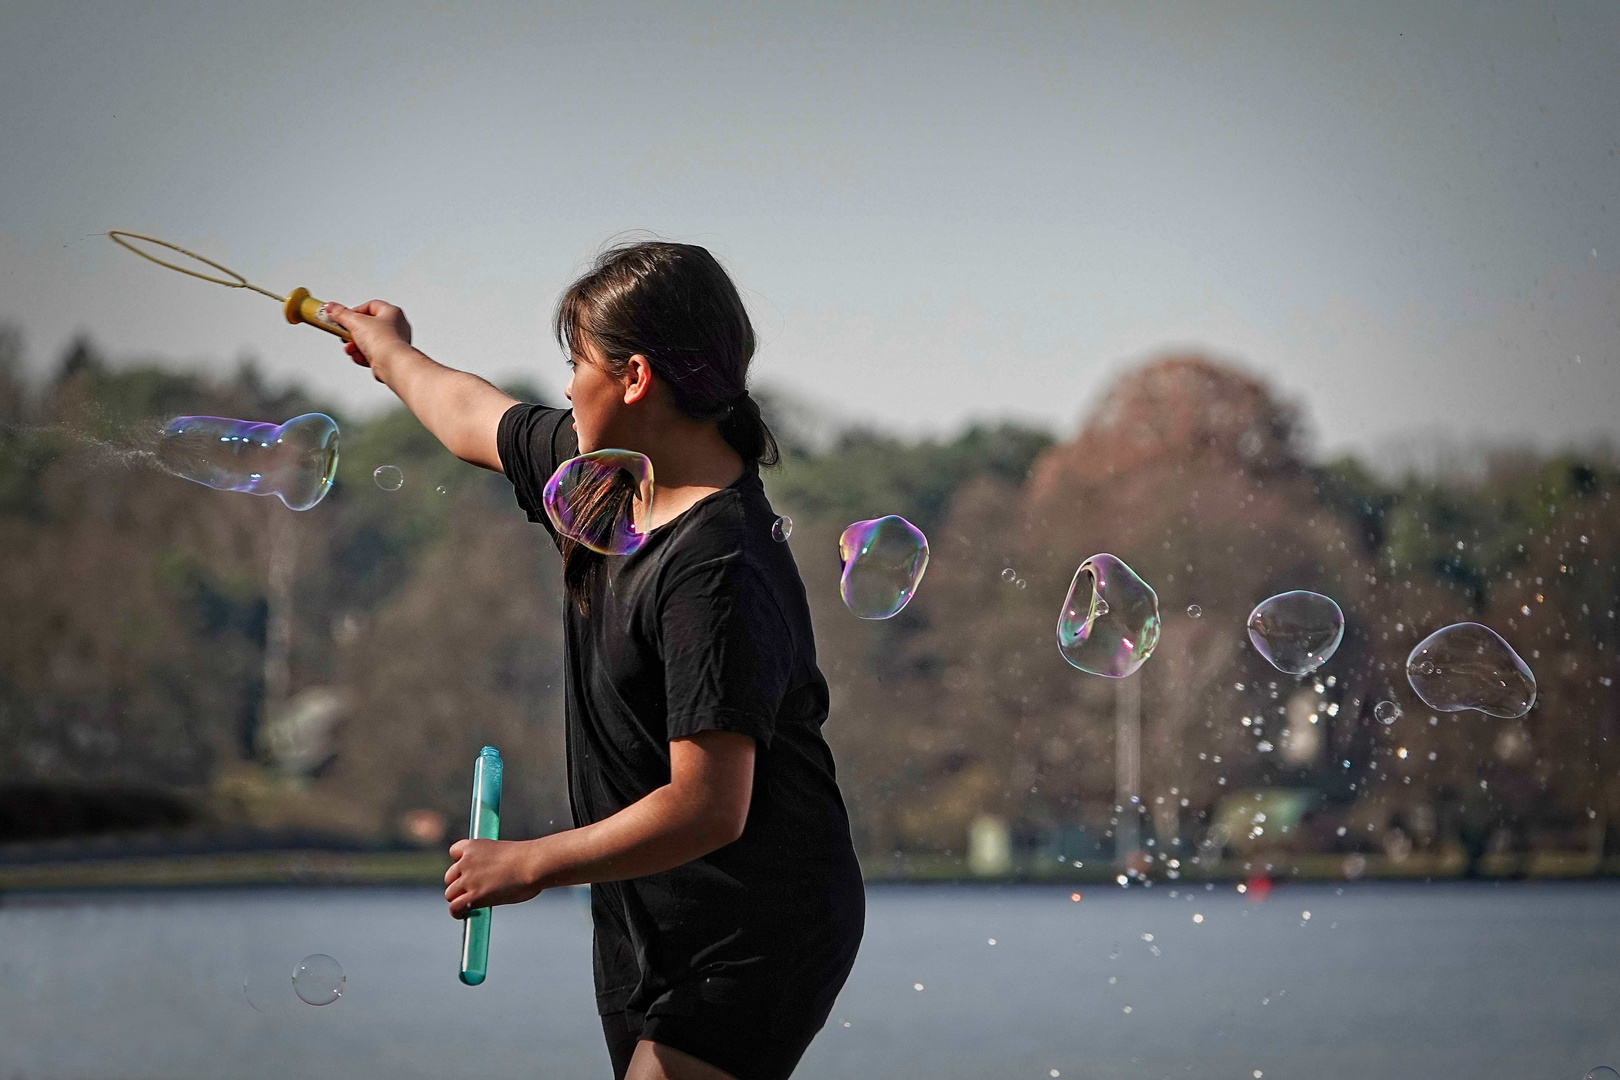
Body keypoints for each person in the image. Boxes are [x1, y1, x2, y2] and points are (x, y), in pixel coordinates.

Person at [323, 240, 865, 1080]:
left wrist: (532, 862)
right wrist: (390, 351)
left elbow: (709, 805)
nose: (567, 385)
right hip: (652, 927)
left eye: (576, 361)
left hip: (758, 926)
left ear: (635, 377)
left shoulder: (720, 567)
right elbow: (473, 414)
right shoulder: (603, 485)